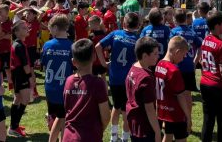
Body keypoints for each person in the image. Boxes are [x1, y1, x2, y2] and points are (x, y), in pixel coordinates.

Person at [96, 12, 140, 142]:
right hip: (129, 79)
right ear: (137, 25)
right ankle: (125, 138)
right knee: (126, 110)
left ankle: (113, 137)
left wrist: (104, 63)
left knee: (116, 106)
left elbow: (98, 46)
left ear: (124, 23)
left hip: (114, 77)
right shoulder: (137, 39)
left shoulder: (115, 34)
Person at [63, 38, 110, 142]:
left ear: (73, 61)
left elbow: (66, 109)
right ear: (94, 57)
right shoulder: (97, 83)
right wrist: (98, 130)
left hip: (68, 136)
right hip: (89, 136)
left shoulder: (68, 81)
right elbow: (106, 117)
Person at [199, 10, 222, 142]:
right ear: (217, 25)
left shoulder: (205, 40)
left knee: (208, 120)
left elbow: (202, 60)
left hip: (205, 83)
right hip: (218, 87)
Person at [41, 14, 74, 141]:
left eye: (50, 28)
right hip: (65, 89)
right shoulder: (72, 46)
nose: (49, 31)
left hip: (50, 87)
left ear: (55, 28)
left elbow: (44, 64)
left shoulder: (47, 45)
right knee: (64, 119)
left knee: (58, 118)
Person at [155, 36, 191, 142]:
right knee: (181, 139)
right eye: (183, 55)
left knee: (168, 135)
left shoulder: (159, 64)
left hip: (163, 111)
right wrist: (188, 117)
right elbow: (180, 96)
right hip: (176, 114)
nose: (183, 59)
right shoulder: (173, 70)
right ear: (177, 52)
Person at [126, 36, 162, 142]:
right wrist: (157, 132)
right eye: (155, 53)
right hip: (144, 127)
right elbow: (149, 109)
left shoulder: (133, 67)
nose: (158, 56)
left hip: (133, 122)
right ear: (145, 55)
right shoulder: (146, 78)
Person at [169, 9, 202, 116]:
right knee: (188, 94)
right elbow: (200, 47)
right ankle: (188, 118)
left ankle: (175, 116)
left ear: (175, 19)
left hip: (176, 67)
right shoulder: (192, 32)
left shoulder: (174, 32)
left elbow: (170, 48)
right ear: (185, 19)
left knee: (175, 93)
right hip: (189, 67)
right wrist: (195, 62)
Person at [9, 20, 34, 137]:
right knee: (25, 99)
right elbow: (25, 64)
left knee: (18, 99)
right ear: (16, 32)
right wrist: (30, 77)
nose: (27, 29)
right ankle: (14, 127)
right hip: (21, 74)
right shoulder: (19, 45)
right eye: (23, 28)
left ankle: (14, 125)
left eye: (26, 27)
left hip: (17, 74)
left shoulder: (18, 43)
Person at [0, 4, 13, 91]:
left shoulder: (9, 23)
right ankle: (0, 87)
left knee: (8, 69)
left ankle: (11, 87)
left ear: (7, 13)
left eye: (0, 12)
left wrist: (2, 36)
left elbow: (8, 36)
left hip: (7, 50)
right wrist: (3, 35)